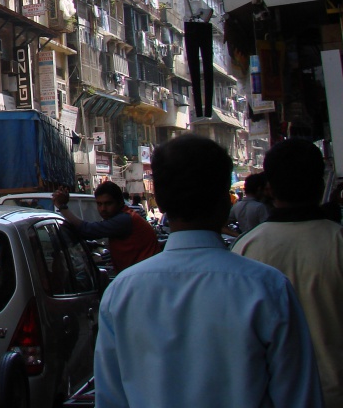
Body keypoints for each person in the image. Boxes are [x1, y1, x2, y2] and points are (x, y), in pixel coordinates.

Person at [95, 134, 323, 408]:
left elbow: (110, 398)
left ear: (161, 203)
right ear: (226, 201)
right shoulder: (268, 287)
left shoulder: (121, 293)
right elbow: (299, 398)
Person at [232, 139, 343, 406]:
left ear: (269, 187)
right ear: (321, 184)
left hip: (275, 396)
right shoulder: (338, 242)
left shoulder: (246, 249)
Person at [52, 181, 158, 274]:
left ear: (120, 202)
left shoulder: (124, 219)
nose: (103, 208)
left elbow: (88, 230)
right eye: (99, 204)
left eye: (108, 203)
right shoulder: (124, 217)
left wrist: (62, 207)